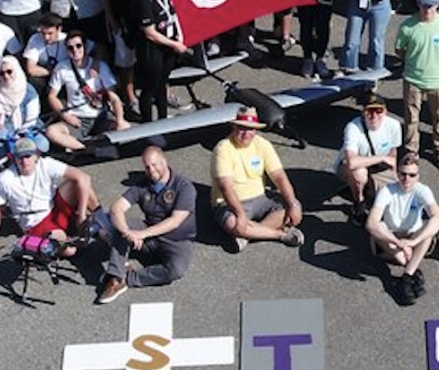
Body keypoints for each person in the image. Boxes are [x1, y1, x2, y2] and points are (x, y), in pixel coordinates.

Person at [94, 145, 197, 304]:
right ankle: (116, 277)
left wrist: (141, 234)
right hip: (149, 235)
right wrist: (127, 231)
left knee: (176, 270)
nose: (151, 170)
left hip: (177, 240)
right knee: (109, 224)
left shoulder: (184, 187)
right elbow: (117, 208)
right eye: (147, 167)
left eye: (155, 164)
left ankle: (130, 278)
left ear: (164, 162)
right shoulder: (142, 185)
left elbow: (175, 222)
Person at [0, 136, 99, 257]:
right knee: (69, 251)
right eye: (20, 157)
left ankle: (100, 218)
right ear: (14, 158)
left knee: (77, 182)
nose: (24, 161)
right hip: (35, 222)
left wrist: (81, 214)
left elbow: (84, 178)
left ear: (36, 156)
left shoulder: (46, 163)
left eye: (28, 156)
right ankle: (77, 235)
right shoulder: (3, 179)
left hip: (55, 208)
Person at [211, 108, 305, 251]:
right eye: (242, 128)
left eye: (251, 129)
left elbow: (279, 176)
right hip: (230, 202)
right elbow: (226, 187)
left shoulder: (263, 144)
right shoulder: (223, 148)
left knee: (292, 212)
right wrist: (240, 214)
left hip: (261, 197)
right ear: (234, 127)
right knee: (233, 223)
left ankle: (247, 235)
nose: (246, 133)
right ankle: (279, 234)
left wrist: (293, 204)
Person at [365, 150, 439, 305]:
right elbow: (371, 223)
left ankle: (407, 277)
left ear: (418, 176)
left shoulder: (422, 190)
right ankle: (413, 270)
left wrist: (413, 243)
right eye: (403, 174)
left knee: (430, 227)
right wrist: (400, 243)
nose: (407, 179)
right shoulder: (387, 190)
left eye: (412, 175)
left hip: (413, 239)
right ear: (397, 173)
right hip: (392, 240)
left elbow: (438, 218)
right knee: (378, 227)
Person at [395, 0, 439, 171]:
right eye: (424, 5)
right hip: (413, 79)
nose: (427, 9)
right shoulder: (407, 26)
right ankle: (411, 151)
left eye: (431, 5)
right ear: (418, 4)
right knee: (411, 117)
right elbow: (400, 50)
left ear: (438, 5)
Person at [335, 94, 401, 222]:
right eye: (369, 111)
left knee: (394, 198)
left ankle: (367, 189)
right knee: (359, 173)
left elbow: (393, 154)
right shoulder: (353, 128)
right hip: (348, 167)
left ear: (385, 111)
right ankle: (358, 202)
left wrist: (394, 177)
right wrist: (381, 158)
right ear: (363, 112)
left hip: (377, 167)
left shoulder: (394, 125)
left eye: (378, 111)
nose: (374, 116)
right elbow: (352, 162)